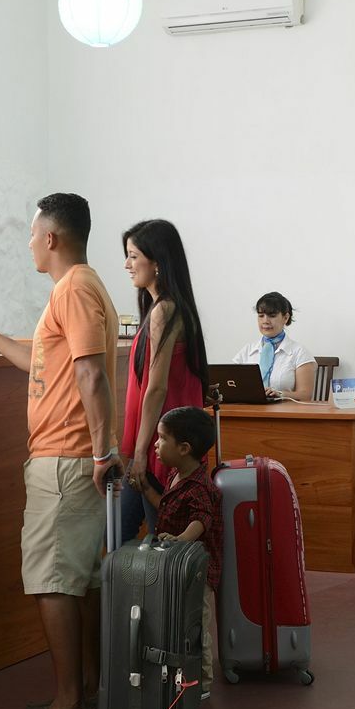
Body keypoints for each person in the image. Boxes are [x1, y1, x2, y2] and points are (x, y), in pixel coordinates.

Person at [0, 193, 119, 709]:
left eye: (32, 234)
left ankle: (70, 704)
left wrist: (101, 452)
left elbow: (92, 376)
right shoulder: (82, 286)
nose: (28, 242)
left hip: (66, 458)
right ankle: (88, 691)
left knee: (53, 582)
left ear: (51, 237)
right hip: (73, 455)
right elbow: (48, 361)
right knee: (78, 582)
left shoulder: (72, 289)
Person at [117, 219, 210, 543]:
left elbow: (156, 387)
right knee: (118, 534)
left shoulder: (165, 310)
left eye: (133, 256)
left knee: (162, 540)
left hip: (160, 448)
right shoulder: (162, 308)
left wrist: (141, 452)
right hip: (155, 444)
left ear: (156, 262)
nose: (127, 265)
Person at [150, 405, 224, 699]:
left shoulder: (199, 487)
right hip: (179, 567)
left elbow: (201, 520)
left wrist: (181, 539)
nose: (156, 445)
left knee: (196, 626)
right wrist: (145, 489)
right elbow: (167, 507)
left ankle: (203, 683)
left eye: (161, 438)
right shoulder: (176, 476)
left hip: (198, 573)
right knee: (180, 622)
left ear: (183, 448)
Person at [231, 292, 316, 402]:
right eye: (261, 316)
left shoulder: (299, 352)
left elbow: (305, 395)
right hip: (249, 411)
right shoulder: (247, 350)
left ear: (285, 318)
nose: (265, 321)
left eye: (272, 316)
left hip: (284, 415)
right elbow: (231, 385)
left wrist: (280, 394)